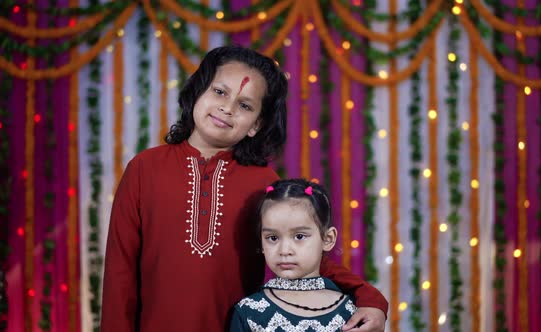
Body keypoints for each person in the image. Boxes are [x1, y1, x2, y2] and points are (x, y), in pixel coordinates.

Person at [100, 45, 387, 332]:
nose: (228, 108)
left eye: (245, 105)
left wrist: (370, 299)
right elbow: (119, 270)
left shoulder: (262, 183)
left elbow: (301, 252)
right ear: (198, 92)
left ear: (255, 125)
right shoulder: (144, 168)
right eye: (220, 92)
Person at [230, 179, 367, 331]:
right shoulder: (249, 312)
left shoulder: (352, 312)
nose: (284, 250)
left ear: (328, 239)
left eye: (299, 236)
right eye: (273, 238)